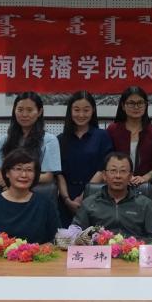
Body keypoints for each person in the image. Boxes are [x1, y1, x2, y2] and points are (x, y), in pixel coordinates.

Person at [72, 152, 152, 240]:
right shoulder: (89, 203)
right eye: (113, 171)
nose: (118, 176)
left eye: (123, 171)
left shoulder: (144, 204)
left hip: (135, 248)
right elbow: (74, 235)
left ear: (130, 176)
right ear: (104, 175)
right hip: (99, 249)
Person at [0, 149, 59, 243]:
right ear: (7, 173)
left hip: (36, 252)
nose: (24, 175)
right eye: (18, 169)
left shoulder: (45, 203)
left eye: (29, 170)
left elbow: (56, 239)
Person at [57, 90, 113, 224]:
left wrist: (83, 196)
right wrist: (67, 200)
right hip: (66, 199)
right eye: (76, 110)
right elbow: (59, 173)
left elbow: (102, 169)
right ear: (70, 111)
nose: (81, 115)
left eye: (86, 110)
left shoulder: (102, 136)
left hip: (96, 195)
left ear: (93, 110)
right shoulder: (60, 139)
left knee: (95, 234)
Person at [0, 92, 61, 193]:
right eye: (20, 110)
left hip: (35, 193)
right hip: (6, 192)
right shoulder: (3, 139)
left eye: (29, 110)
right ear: (14, 111)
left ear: (39, 112)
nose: (24, 114)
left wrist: (15, 182)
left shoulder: (50, 140)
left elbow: (48, 176)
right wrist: (2, 179)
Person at [105, 86, 152, 197]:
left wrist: (144, 178)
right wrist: (124, 177)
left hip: (144, 187)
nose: (136, 107)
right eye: (131, 103)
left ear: (146, 105)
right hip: (117, 185)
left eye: (140, 103)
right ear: (123, 106)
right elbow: (107, 162)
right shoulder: (112, 130)